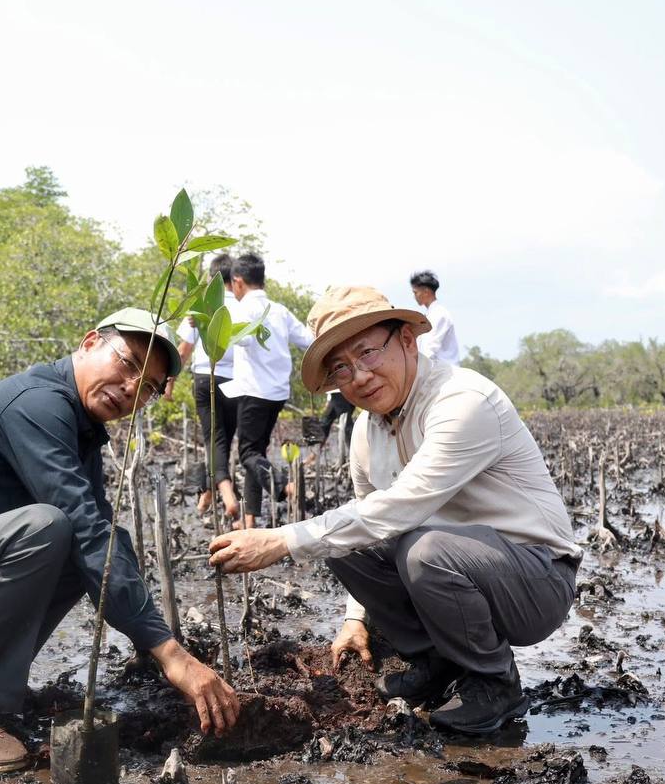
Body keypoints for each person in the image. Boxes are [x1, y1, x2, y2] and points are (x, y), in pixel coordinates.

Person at [0, 308, 240, 773]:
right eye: (129, 363)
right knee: (49, 527)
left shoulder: (79, 426)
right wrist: (170, 654)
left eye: (149, 387)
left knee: (87, 544)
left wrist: (154, 643)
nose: (133, 388)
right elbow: (80, 525)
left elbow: (103, 539)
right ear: (90, 342)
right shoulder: (38, 403)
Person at [208, 286, 580, 736]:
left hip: (536, 580)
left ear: (407, 338)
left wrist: (283, 539)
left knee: (424, 550)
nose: (358, 376)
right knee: (345, 544)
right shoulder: (366, 432)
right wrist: (355, 619)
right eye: (341, 367)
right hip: (450, 563)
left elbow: (401, 507)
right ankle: (436, 662)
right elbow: (365, 522)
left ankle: (495, 682)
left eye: (367, 352)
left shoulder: (462, 401)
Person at [220, 253, 314, 528]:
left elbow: (243, 339)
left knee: (247, 455)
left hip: (254, 392)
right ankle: (250, 520)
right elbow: (307, 340)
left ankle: (286, 487)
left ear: (237, 282)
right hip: (278, 393)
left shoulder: (243, 310)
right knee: (256, 453)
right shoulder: (280, 310)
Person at [174, 254, 240, 519]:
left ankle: (227, 495)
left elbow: (183, 350)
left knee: (214, 440)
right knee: (224, 441)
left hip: (205, 377)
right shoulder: (244, 306)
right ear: (236, 279)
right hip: (237, 382)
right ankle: (207, 497)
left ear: (211, 279)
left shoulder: (201, 308)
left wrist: (168, 381)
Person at [410, 271, 461, 365]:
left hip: (444, 373)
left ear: (426, 292)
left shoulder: (439, 314)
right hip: (435, 370)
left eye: (415, 292)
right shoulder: (431, 314)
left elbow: (429, 349)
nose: (414, 296)